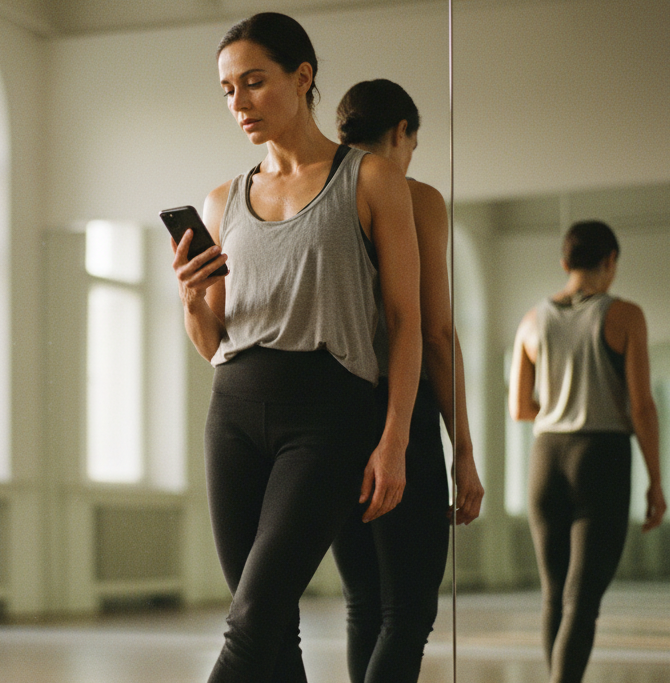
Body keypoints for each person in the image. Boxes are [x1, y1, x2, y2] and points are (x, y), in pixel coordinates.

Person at [170, 14, 422, 682]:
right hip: (232, 415)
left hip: (327, 414)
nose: (240, 103)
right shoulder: (222, 199)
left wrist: (394, 439)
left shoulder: (370, 180)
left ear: (302, 77)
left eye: (255, 82)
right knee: (273, 629)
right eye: (228, 89)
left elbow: (406, 322)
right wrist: (192, 300)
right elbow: (211, 344)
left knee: (250, 620)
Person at [328, 79, 484, 683]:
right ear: (402, 134)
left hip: (333, 415)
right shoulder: (415, 197)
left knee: (363, 605)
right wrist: (463, 451)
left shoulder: (314, 190)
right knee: (409, 611)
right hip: (402, 413)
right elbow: (435, 333)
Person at [509, 220, 667, 683]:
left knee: (554, 595)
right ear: (610, 262)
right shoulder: (625, 316)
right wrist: (656, 482)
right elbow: (642, 406)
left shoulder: (531, 320)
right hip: (601, 458)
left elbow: (520, 406)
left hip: (546, 458)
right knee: (583, 598)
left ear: (564, 263)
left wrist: (559, 403)